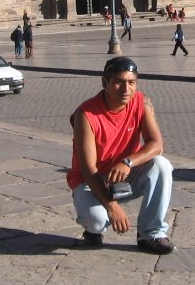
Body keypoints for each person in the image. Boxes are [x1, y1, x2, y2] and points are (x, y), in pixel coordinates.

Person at [67, 57, 174, 253]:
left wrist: (128, 162)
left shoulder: (142, 102)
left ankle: (151, 234)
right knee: (98, 220)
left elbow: (156, 144)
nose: (126, 89)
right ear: (104, 82)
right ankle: (92, 230)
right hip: (91, 181)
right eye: (119, 82)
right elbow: (88, 169)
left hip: (123, 175)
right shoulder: (86, 114)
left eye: (131, 82)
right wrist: (112, 206)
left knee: (161, 165)